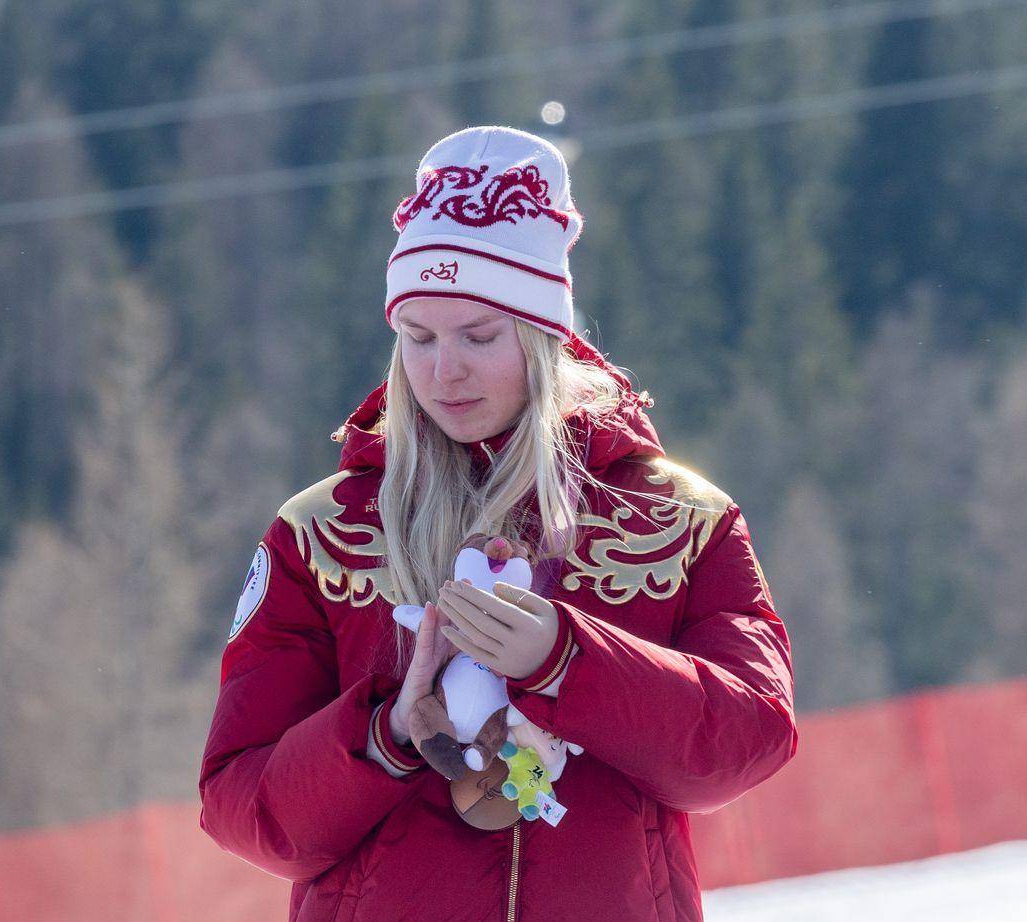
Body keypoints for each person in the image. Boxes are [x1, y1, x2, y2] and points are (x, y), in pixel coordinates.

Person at [198, 125, 797, 922]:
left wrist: (566, 661)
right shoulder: (317, 534)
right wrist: (386, 734)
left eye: (480, 336)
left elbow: (747, 743)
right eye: (417, 337)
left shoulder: (680, 520)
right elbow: (244, 808)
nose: (444, 371)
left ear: (546, 334)